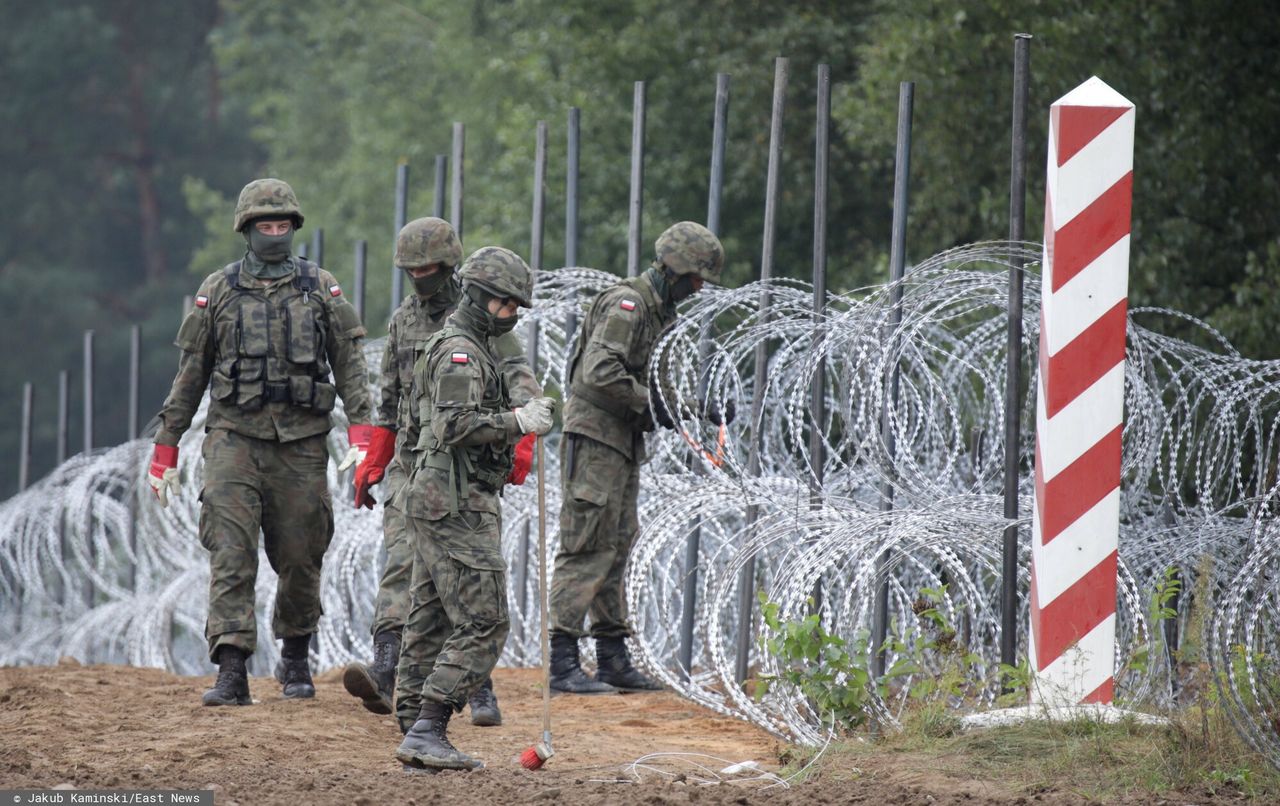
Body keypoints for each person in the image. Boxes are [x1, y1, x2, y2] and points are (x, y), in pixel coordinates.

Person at [147, 178, 373, 706]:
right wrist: (166, 448)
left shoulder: (321, 288)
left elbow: (350, 366)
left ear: (293, 228)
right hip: (233, 439)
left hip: (302, 443)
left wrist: (365, 434)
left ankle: (295, 656)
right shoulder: (219, 290)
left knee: (300, 555)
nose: (274, 234)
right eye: (264, 226)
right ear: (246, 230)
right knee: (231, 552)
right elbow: (190, 374)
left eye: (281, 225)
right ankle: (231, 668)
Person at [342, 218, 537, 727]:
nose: (419, 278)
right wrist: (375, 460)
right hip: (413, 461)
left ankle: (478, 691)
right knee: (404, 565)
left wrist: (521, 444)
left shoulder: (484, 313)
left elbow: (522, 385)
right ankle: (387, 671)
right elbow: (389, 399)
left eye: (428, 269)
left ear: (451, 267)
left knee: (460, 581)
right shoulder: (404, 321)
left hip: (465, 462)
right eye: (411, 271)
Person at [393, 246, 555, 771]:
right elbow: (453, 425)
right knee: (486, 620)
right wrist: (518, 422)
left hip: (441, 497)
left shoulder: (468, 345)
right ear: (486, 299)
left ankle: (413, 724)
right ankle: (427, 727)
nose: (512, 316)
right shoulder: (460, 351)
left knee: (431, 614)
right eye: (509, 306)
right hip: (456, 501)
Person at [549, 221, 728, 694]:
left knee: (619, 542)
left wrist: (694, 409)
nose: (698, 289)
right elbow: (599, 371)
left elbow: (653, 389)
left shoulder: (658, 313)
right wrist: (653, 404)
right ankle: (562, 660)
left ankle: (612, 657)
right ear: (676, 268)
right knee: (586, 545)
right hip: (595, 439)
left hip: (621, 442)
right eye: (696, 278)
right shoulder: (628, 305)